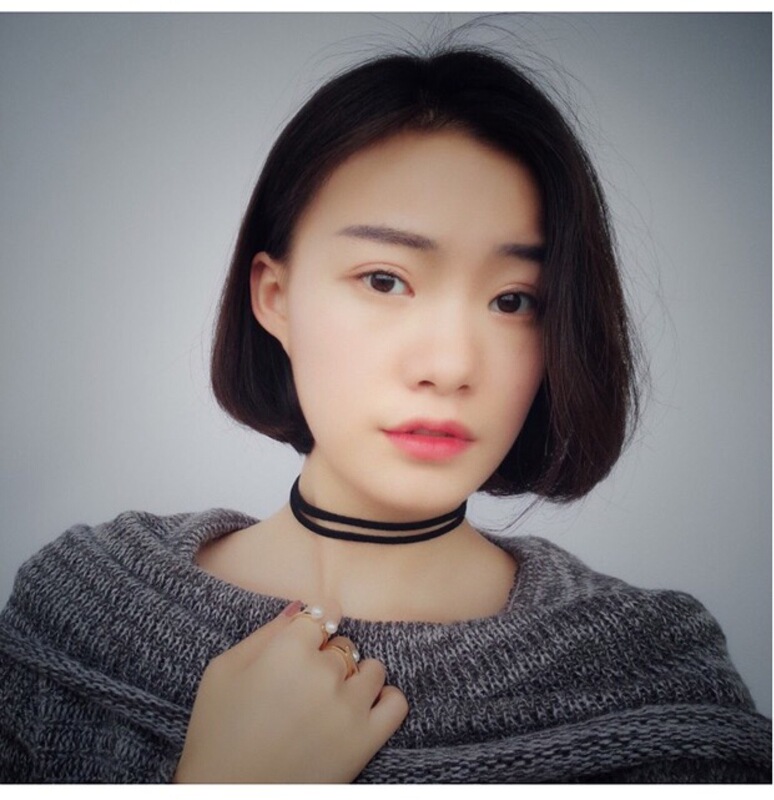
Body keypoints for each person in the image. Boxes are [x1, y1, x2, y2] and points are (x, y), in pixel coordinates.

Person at [0, 45, 770, 784]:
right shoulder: (80, 612)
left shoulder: (651, 682)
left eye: (513, 300)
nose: (451, 365)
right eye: (384, 280)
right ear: (274, 297)